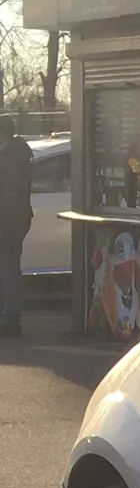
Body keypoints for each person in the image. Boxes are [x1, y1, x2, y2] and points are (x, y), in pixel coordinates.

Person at [0, 117, 32, 338]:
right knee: (9, 268)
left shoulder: (8, 159)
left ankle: (10, 318)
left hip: (7, 220)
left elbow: (9, 194)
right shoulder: (18, 155)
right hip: (16, 219)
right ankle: (9, 316)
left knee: (8, 270)